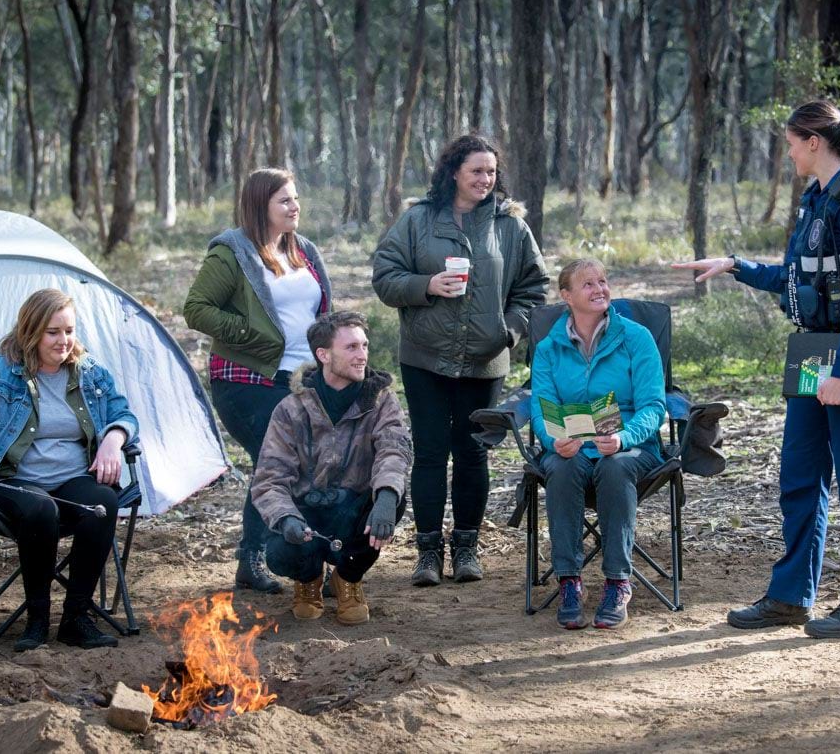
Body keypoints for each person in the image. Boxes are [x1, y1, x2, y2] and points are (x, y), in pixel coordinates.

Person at [672, 100, 840, 639]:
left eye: (792, 143)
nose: (790, 152)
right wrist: (735, 266)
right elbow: (800, 278)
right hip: (811, 353)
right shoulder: (816, 199)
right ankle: (791, 596)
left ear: (815, 142)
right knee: (800, 477)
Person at [372, 134, 549, 587]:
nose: (485, 180)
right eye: (476, 171)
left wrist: (506, 331)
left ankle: (466, 548)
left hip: (484, 360)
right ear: (453, 172)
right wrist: (426, 286)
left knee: (472, 454)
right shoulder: (417, 219)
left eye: (491, 172)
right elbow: (385, 276)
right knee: (430, 454)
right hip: (425, 358)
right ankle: (427, 553)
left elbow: (533, 287)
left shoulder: (510, 225)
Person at [0, 289, 139, 651]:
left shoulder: (91, 373)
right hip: (11, 481)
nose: (64, 341)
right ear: (30, 331)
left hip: (72, 479)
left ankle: (76, 618)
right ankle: (36, 620)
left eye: (69, 330)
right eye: (53, 332)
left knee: (102, 503)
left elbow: (123, 414)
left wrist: (114, 438)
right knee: (40, 510)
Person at [184, 168, 332, 594]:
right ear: (260, 205)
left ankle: (303, 553)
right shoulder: (232, 253)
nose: (295, 206)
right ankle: (254, 559)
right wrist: (252, 333)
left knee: (302, 463)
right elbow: (196, 308)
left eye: (296, 198)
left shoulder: (304, 251)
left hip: (303, 380)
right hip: (247, 380)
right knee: (275, 460)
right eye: (284, 200)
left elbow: (322, 311)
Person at [529, 259, 666, 630]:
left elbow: (654, 406)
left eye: (603, 281)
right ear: (567, 296)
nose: (599, 289)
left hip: (631, 445)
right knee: (559, 467)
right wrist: (553, 440)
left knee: (615, 464)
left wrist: (624, 436)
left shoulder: (636, 338)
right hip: (572, 448)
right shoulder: (548, 348)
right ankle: (569, 580)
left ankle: (618, 582)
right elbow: (542, 408)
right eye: (588, 284)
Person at [250, 311, 412, 625]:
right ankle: (309, 579)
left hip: (353, 510)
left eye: (364, 345)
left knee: (391, 500)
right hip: (307, 514)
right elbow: (269, 477)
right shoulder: (292, 409)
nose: (362, 355)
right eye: (351, 347)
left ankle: (347, 579)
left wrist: (387, 497)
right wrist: (287, 520)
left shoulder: (380, 401)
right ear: (324, 355)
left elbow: (393, 450)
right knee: (280, 551)